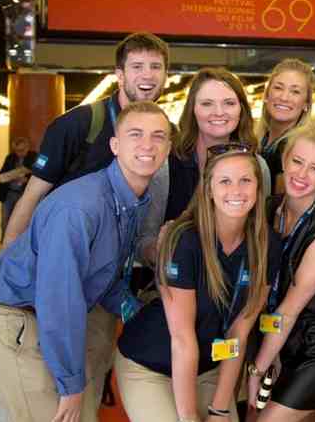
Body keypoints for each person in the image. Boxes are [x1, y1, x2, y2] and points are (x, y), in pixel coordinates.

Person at [0, 102, 171, 422]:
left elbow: (105, 280)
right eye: (136, 134)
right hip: (15, 325)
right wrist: (70, 384)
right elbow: (60, 300)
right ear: (114, 145)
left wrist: (142, 315)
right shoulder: (81, 207)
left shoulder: (130, 201)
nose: (148, 145)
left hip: (36, 323)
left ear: (169, 148)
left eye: (158, 136)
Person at [116, 143, 280, 422]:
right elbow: (181, 340)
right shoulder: (185, 239)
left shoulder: (267, 244)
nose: (237, 191)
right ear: (209, 189)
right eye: (225, 181)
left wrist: (219, 410)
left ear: (258, 187)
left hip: (209, 367)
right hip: (151, 364)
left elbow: (239, 331)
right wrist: (190, 416)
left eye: (245, 181)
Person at [2, 32, 170, 248]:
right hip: (66, 247)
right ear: (120, 75)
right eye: (137, 66)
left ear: (165, 75)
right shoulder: (78, 124)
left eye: (155, 67)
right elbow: (33, 194)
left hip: (118, 258)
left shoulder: (164, 132)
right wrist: (7, 252)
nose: (148, 75)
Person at [246, 116, 315, 420]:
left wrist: (258, 367)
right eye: (297, 161)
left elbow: (289, 310)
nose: (302, 174)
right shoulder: (266, 209)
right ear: (284, 158)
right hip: (276, 339)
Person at [143, 68, 269, 266]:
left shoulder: (258, 167)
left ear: (241, 110)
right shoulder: (165, 165)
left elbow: (259, 233)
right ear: (193, 109)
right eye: (207, 104)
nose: (219, 112)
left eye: (229, 103)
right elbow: (142, 242)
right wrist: (160, 248)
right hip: (174, 284)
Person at [256, 59, 315, 194]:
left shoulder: (296, 148)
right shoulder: (259, 140)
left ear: (306, 103)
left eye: (295, 92)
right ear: (266, 95)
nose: (284, 97)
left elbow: (280, 207)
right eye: (278, 88)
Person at [0, 136, 37, 242]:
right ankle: (4, 246)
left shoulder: (35, 157)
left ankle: (21, 245)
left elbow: (40, 174)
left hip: (24, 194)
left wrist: (26, 179)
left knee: (23, 221)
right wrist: (11, 176)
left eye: (22, 150)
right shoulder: (10, 157)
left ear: (27, 147)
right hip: (8, 194)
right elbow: (1, 174)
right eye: (17, 151)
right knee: (5, 221)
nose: (20, 153)